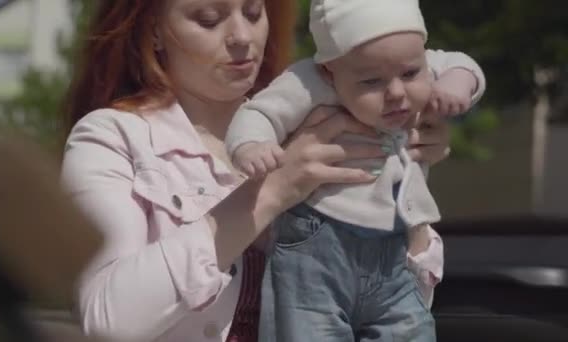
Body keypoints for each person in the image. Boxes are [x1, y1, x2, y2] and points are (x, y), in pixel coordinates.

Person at [60, 1, 481, 341]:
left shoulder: (325, 113)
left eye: (253, 12)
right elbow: (105, 318)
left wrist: (408, 167)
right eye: (209, 18)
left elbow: (405, 302)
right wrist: (274, 190)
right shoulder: (112, 137)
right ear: (153, 28)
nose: (242, 37)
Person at [224, 0, 485, 341]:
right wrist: (252, 145)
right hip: (317, 249)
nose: (395, 92)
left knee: (410, 329)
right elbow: (259, 113)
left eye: (410, 74)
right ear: (330, 71)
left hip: (393, 252)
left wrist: (456, 85)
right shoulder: (308, 83)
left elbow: (462, 64)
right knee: (306, 330)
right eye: (371, 82)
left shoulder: (409, 58)